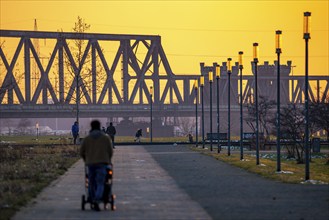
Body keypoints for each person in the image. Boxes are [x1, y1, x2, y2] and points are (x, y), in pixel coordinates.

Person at [80, 120, 113, 211]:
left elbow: (81, 151)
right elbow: (110, 151)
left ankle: (91, 197)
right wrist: (108, 159)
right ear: (99, 126)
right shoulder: (106, 138)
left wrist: (85, 159)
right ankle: (97, 198)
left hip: (90, 163)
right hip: (102, 163)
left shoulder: (87, 139)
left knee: (91, 182)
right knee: (100, 182)